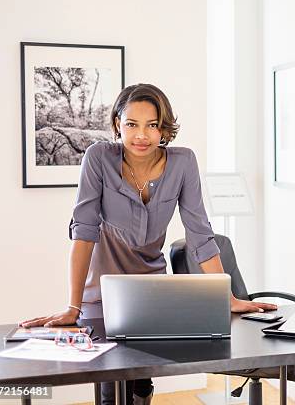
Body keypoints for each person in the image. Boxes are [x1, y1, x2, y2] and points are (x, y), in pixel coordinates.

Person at [19, 83, 276, 405]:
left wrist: (228, 296)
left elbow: (199, 231)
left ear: (163, 128)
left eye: (152, 125)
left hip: (151, 292)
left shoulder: (183, 163)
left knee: (140, 378)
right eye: (131, 124)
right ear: (117, 125)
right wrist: (74, 306)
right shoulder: (99, 158)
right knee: (109, 383)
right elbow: (84, 232)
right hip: (100, 292)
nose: (141, 135)